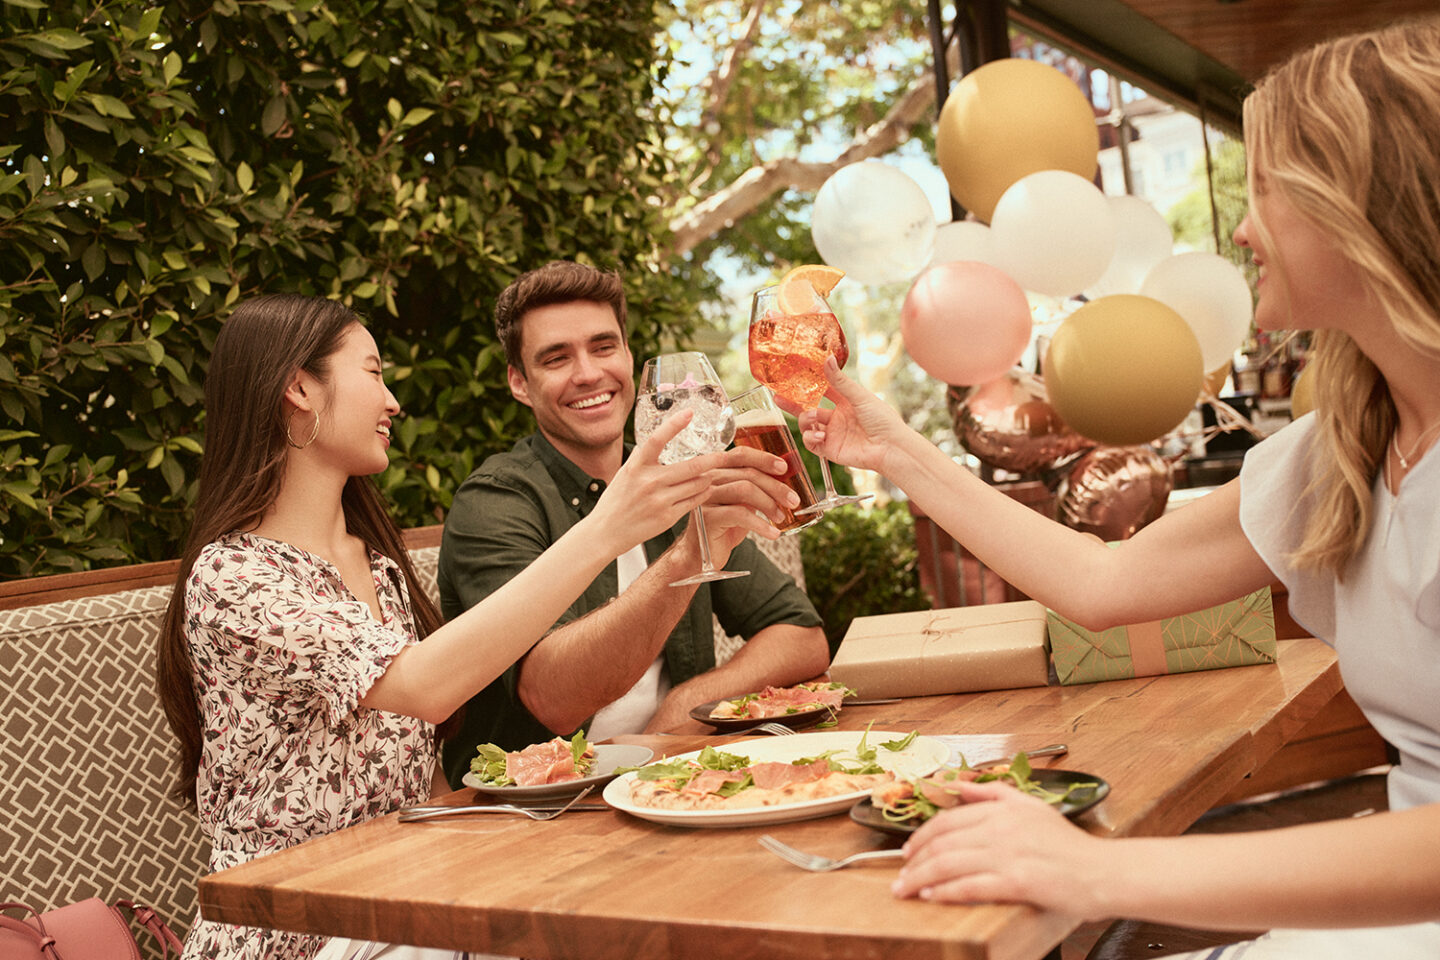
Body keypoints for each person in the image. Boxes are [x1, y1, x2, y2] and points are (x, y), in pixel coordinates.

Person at [795, 18, 1440, 958]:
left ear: (1362, 205)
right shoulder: (1346, 446)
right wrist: (896, 449)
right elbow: (1107, 586)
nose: (1243, 227)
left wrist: (1093, 871)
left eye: (1265, 191)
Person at [155, 293, 758, 960]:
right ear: (299, 387)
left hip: (405, 906)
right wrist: (605, 530)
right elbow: (424, 685)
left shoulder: (377, 569)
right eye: (375, 373)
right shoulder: (235, 577)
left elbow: (422, 788)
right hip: (298, 931)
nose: (393, 404)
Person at [438, 261, 832, 784]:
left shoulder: (680, 475)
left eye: (603, 347)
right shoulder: (496, 502)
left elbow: (802, 635)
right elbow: (552, 700)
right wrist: (689, 555)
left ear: (628, 357)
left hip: (672, 777)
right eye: (556, 358)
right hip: (539, 810)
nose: (587, 373)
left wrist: (684, 709)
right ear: (520, 383)